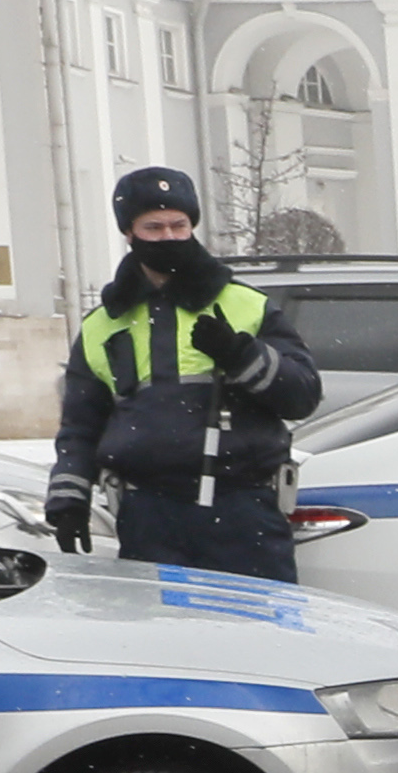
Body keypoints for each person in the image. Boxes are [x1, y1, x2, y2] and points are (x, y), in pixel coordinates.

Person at [47, 167, 317, 582]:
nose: (169, 236)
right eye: (153, 227)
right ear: (129, 233)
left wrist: (241, 355)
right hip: (149, 517)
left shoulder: (246, 305)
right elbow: (81, 425)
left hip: (243, 512)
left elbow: (302, 395)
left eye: (179, 225)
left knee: (261, 640)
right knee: (164, 642)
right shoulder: (104, 324)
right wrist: (69, 498)